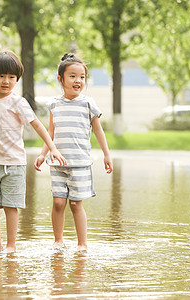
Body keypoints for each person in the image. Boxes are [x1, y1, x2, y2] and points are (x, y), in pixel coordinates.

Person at [0, 50, 66, 253]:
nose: (6, 81)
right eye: (1, 76)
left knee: (9, 206)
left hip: (14, 164)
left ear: (17, 79)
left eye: (12, 77)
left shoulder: (18, 102)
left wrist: (52, 148)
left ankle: (11, 245)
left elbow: (38, 126)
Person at [34, 53, 113, 252]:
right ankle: (58, 240)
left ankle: (82, 243)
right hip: (58, 163)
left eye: (82, 77)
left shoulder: (88, 103)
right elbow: (50, 132)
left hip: (80, 163)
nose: (78, 81)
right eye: (72, 76)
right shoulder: (54, 105)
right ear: (60, 79)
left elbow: (98, 130)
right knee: (59, 202)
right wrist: (43, 154)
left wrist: (106, 154)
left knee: (76, 204)